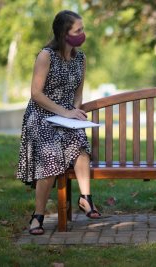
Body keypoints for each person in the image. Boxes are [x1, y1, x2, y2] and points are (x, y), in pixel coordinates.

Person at [17, 10, 101, 235]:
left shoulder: (80, 58)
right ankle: (38, 215)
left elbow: (78, 93)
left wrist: (74, 110)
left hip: (66, 117)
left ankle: (86, 199)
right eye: (78, 30)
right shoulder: (46, 55)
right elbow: (36, 94)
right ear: (64, 33)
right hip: (41, 116)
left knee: (80, 145)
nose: (82, 34)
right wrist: (64, 112)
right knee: (51, 154)